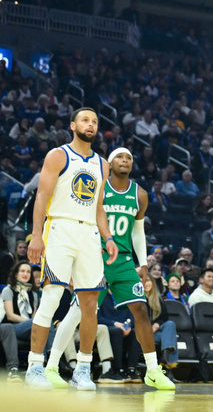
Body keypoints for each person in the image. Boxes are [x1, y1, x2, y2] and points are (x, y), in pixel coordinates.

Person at [45, 148, 175, 390]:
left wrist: (143, 262)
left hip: (124, 261)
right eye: (120, 157)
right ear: (109, 163)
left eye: (129, 157)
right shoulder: (97, 188)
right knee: (78, 314)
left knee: (141, 310)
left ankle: (153, 371)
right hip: (96, 256)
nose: (125, 160)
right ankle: (52, 365)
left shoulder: (140, 194)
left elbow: (138, 231)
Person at [24, 107, 118, 389]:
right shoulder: (58, 155)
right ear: (73, 125)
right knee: (52, 298)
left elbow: (99, 206)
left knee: (90, 305)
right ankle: (34, 367)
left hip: (89, 232)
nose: (91, 125)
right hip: (60, 227)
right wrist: (36, 235)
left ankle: (83, 369)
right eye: (85, 120)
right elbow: (41, 195)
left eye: (95, 122)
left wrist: (109, 237)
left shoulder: (103, 164)